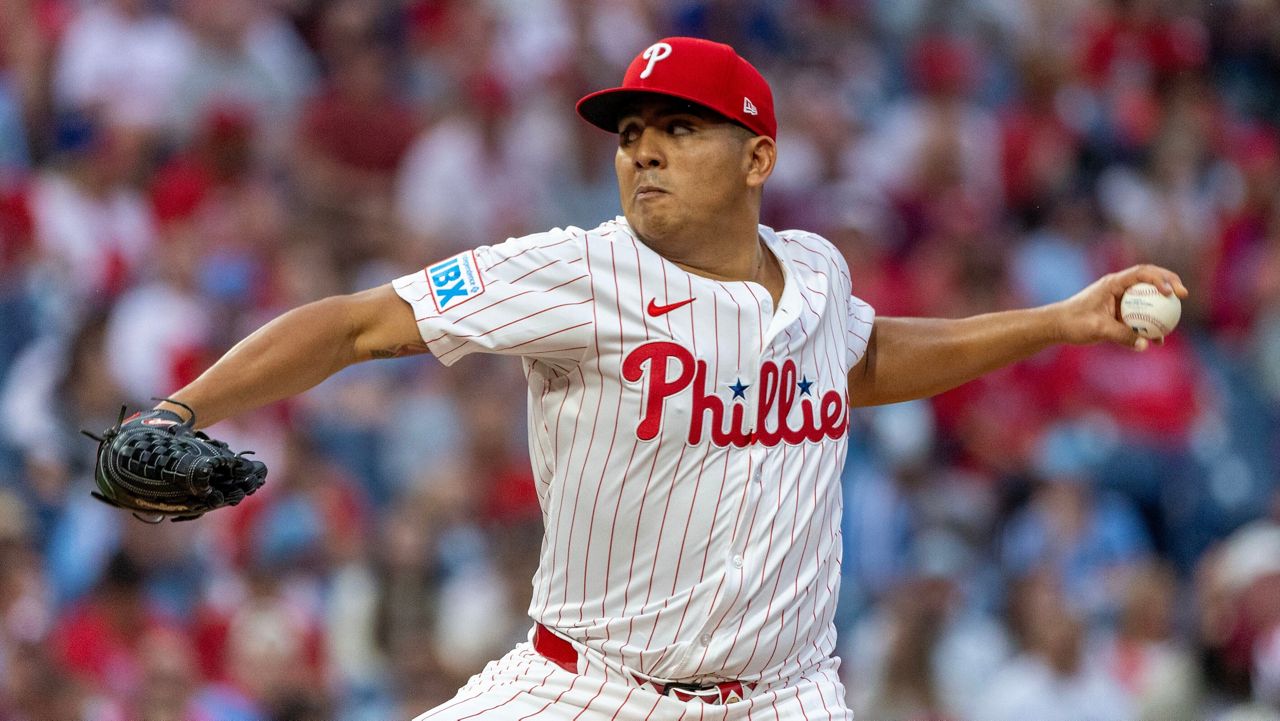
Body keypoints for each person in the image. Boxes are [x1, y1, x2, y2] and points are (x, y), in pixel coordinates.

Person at [143, 37, 1188, 719]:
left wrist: (1055, 321)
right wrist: (182, 407)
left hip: (785, 698)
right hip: (587, 689)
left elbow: (863, 360)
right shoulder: (576, 269)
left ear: (756, 159)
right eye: (630, 135)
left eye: (678, 129)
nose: (640, 152)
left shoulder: (818, 273)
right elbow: (358, 323)